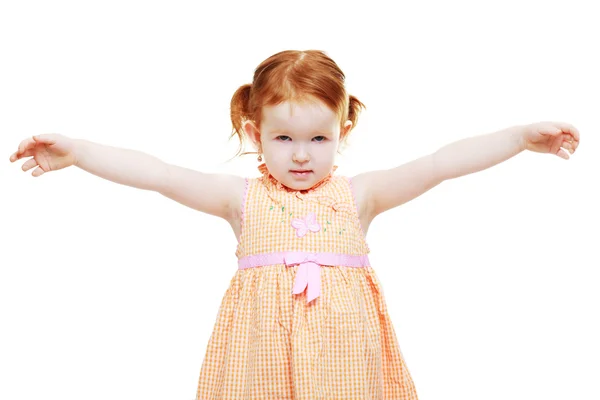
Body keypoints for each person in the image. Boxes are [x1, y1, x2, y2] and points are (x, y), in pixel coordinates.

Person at [9, 49, 580, 400]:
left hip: (346, 358)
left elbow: (439, 164)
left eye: (318, 139)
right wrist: (79, 151)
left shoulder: (361, 196)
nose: (302, 155)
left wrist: (518, 139)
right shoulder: (241, 200)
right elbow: (157, 173)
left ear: (341, 132)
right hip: (260, 354)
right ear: (255, 132)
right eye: (284, 138)